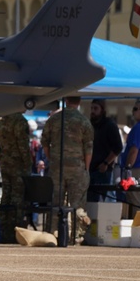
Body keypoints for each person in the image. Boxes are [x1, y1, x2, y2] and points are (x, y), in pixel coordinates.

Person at [40, 96, 94, 244]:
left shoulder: (54, 119)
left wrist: (52, 158)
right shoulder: (84, 121)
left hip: (57, 167)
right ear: (79, 102)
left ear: (67, 101)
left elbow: (44, 141)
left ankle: (53, 235)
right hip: (77, 168)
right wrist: (86, 169)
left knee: (56, 202)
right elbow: (88, 148)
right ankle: (75, 237)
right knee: (77, 204)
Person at [0, 112, 32, 243]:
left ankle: (5, 232)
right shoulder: (20, 121)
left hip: (5, 163)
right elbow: (23, 145)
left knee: (5, 197)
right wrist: (27, 163)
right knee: (18, 199)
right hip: (18, 164)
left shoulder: (1, 120)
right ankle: (16, 232)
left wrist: (2, 156)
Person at [87, 98, 122, 203]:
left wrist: (106, 163)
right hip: (90, 170)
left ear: (102, 110)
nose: (93, 111)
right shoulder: (91, 125)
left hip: (102, 171)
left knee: (102, 202)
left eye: (96, 108)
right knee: (91, 202)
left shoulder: (109, 125)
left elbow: (118, 147)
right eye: (92, 108)